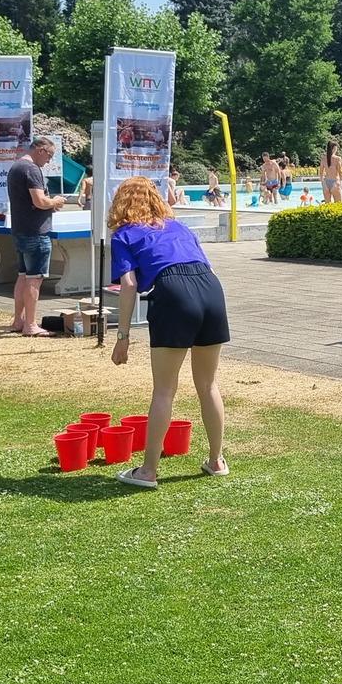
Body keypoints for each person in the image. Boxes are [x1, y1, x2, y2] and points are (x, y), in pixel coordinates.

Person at [107, 177, 230, 489]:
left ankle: (148, 471)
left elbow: (130, 285)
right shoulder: (179, 227)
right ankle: (216, 461)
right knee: (208, 384)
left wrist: (122, 337)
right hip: (211, 290)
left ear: (121, 203)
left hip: (173, 292)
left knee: (164, 390)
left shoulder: (123, 234)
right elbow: (210, 268)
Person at [5, 137, 67, 336]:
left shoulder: (16, 167)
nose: (49, 161)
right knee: (35, 279)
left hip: (20, 230)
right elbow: (39, 201)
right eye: (49, 155)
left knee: (23, 276)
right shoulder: (31, 169)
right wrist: (55, 201)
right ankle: (30, 325)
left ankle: (18, 320)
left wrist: (48, 205)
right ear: (40, 150)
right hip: (35, 232)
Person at [320, 138, 342, 204]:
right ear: (334, 149)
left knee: (327, 206)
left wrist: (323, 184)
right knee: (339, 205)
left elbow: (321, 173)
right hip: (335, 182)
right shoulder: (337, 158)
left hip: (326, 183)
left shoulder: (323, 158)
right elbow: (340, 172)